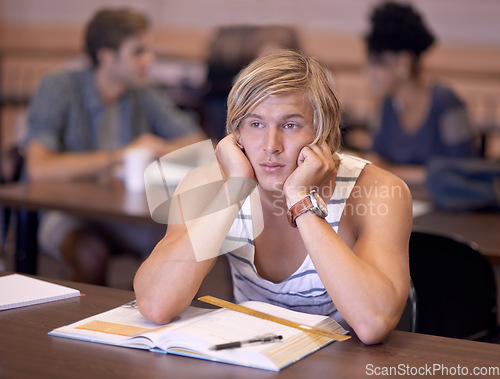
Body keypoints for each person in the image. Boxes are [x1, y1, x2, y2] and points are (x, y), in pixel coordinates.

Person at [134, 50, 412, 345]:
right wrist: (236, 186)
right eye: (256, 124)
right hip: (251, 359)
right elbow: (156, 305)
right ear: (236, 132)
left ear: (323, 131)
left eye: (290, 125)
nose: (271, 145)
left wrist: (299, 198)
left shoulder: (378, 191)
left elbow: (373, 324)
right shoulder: (210, 183)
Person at [25, 8, 205, 284]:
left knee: (179, 243)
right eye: (138, 52)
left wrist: (157, 148)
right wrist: (120, 155)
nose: (150, 60)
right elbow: (38, 167)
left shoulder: (143, 92)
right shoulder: (58, 86)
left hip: (120, 209)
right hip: (62, 210)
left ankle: (153, 319)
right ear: (106, 56)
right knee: (89, 252)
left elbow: (196, 141)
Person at [363, 1, 478, 184]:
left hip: (448, 211)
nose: (370, 73)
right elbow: (376, 161)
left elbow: (465, 170)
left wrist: (393, 170)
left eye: (378, 63)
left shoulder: (447, 102)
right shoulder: (385, 105)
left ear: (404, 62)